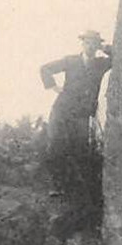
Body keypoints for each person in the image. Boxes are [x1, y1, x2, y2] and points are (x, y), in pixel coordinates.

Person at [40, 30, 112, 220]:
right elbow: (45, 68)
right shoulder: (70, 61)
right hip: (62, 110)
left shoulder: (100, 64)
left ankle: (78, 195)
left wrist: (105, 48)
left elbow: (118, 56)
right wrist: (55, 88)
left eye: (94, 43)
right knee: (55, 145)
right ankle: (56, 186)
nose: (90, 46)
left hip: (81, 115)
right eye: (88, 42)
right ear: (82, 43)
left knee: (80, 150)